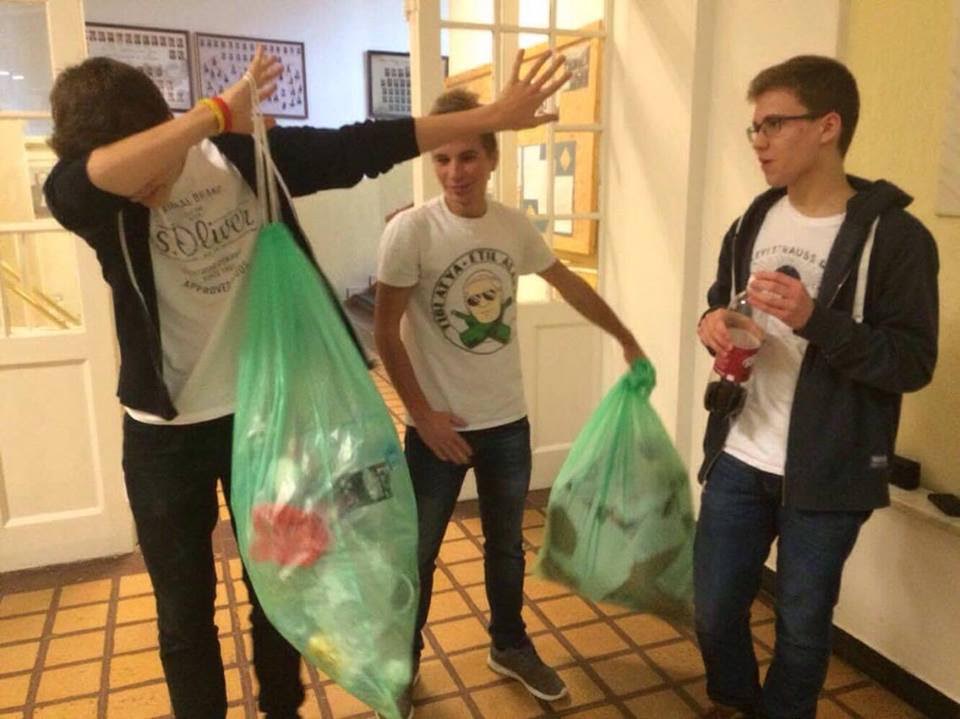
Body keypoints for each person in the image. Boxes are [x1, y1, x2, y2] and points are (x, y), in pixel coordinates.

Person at [43, 46, 569, 719]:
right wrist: (209, 114)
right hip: (163, 440)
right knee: (183, 612)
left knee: (282, 586)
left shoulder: (240, 158)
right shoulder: (96, 198)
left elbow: (361, 146)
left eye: (151, 159)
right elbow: (78, 184)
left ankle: (282, 711)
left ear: (159, 124)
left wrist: (491, 115)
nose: (142, 185)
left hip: (268, 420)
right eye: (132, 168)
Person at [374, 87, 644, 718]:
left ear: (492, 157)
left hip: (506, 424)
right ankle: (401, 662)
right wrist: (423, 417)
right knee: (418, 552)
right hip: (438, 429)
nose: (455, 172)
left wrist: (625, 335)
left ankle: (510, 645)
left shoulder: (512, 226)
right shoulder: (410, 231)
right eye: (442, 160)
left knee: (506, 546)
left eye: (468, 157)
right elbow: (385, 333)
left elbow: (568, 283)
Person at [694, 55, 938, 719]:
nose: (759, 141)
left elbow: (912, 362)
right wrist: (712, 322)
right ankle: (734, 700)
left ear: (828, 126)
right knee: (713, 608)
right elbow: (721, 299)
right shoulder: (752, 221)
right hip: (740, 451)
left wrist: (816, 322)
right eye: (754, 128)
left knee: (802, 628)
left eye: (774, 124)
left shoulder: (897, 238)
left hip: (830, 468)